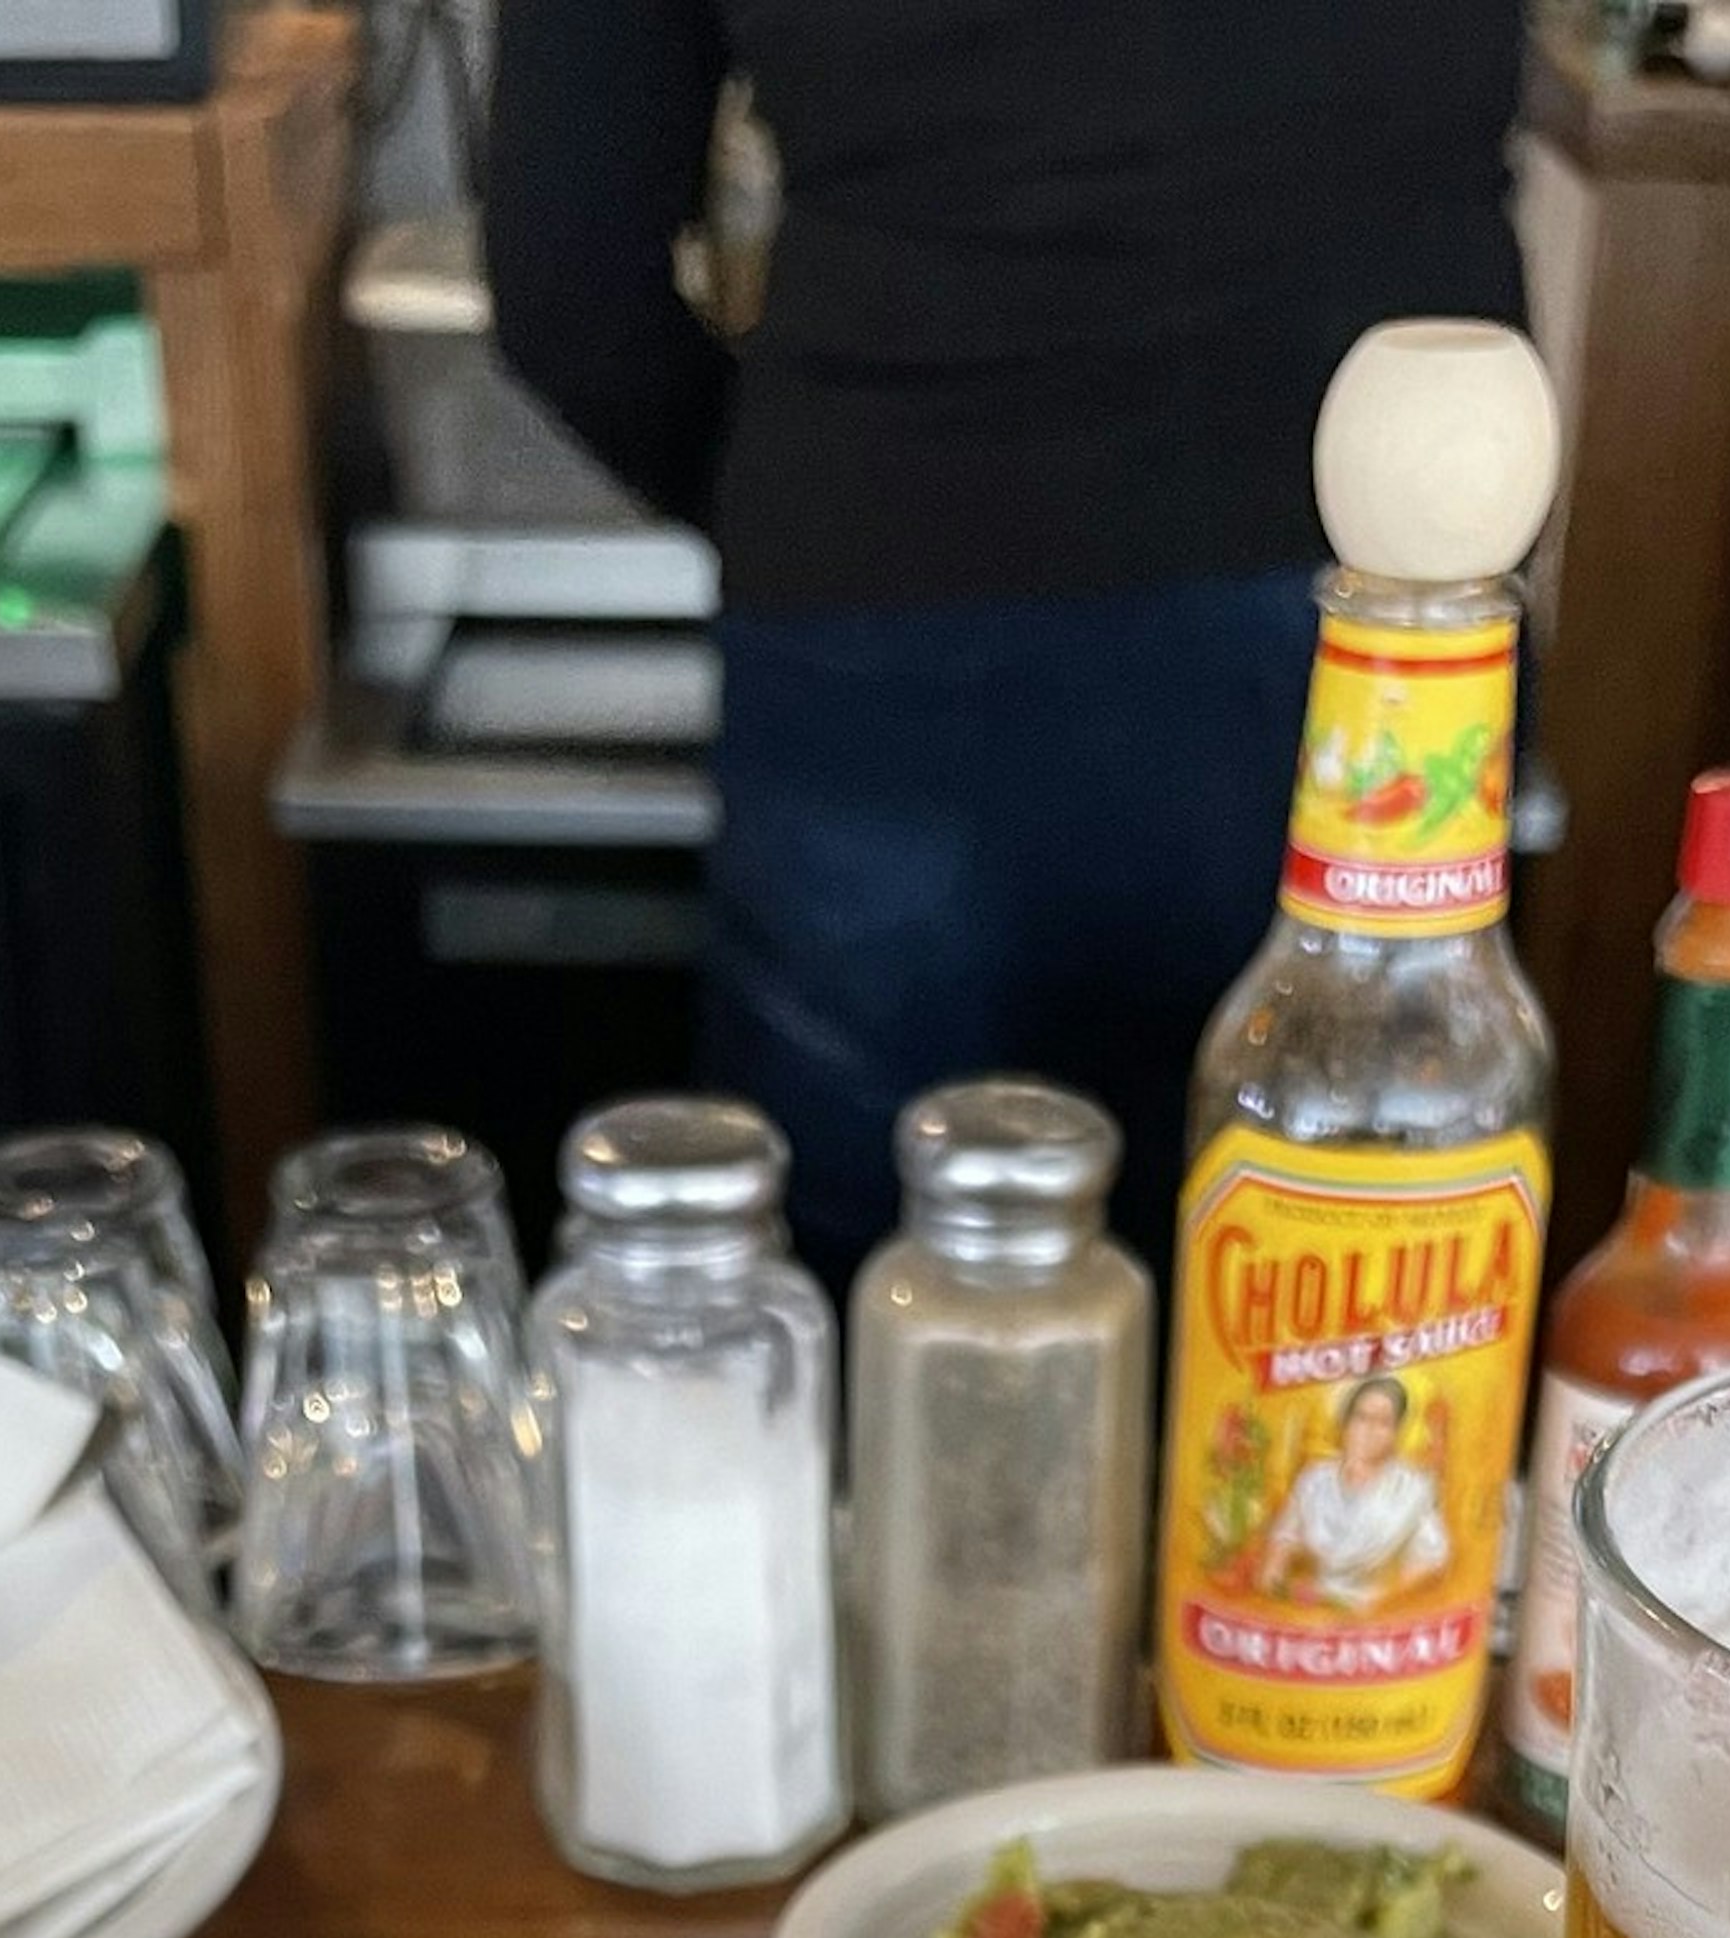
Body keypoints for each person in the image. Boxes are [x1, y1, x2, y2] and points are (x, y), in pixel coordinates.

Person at [482, 0, 1531, 1284]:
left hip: (891, 587)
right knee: (1343, 1306)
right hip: (1374, 615)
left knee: (861, 1316)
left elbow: (565, 282)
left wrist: (821, 506)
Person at [1258, 1374, 1450, 1611]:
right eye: (1361, 1418)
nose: (1369, 1430)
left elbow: (1431, 1560)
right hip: (1311, 1606)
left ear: (1395, 1433)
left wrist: (1380, 1599)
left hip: (1375, 1614)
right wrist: (1275, 1578)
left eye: (1383, 1422)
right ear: (1345, 1423)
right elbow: (1284, 1536)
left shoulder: (1414, 1488)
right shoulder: (1314, 1480)